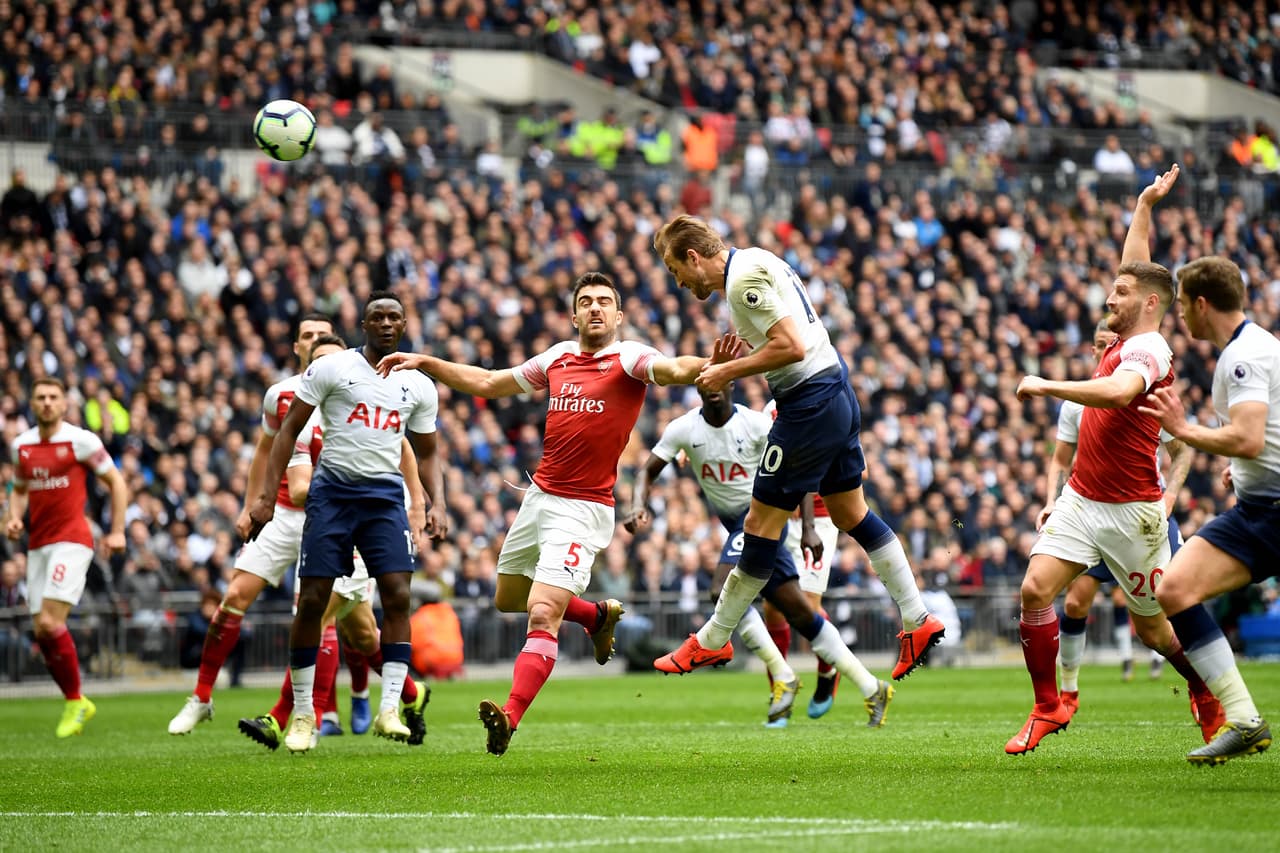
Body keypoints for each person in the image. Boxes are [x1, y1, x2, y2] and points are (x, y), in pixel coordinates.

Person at [378, 271, 720, 756]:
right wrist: (427, 361)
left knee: (541, 611)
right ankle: (596, 616)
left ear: (619, 316)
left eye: (605, 301)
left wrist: (712, 366)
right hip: (539, 498)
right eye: (586, 301)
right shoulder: (557, 356)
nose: (595, 308)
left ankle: (510, 717)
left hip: (583, 509)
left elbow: (673, 369)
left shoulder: (630, 357)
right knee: (507, 597)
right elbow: (491, 382)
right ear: (573, 314)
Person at [649, 214, 945, 685]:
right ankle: (917, 617)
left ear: (693, 257)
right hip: (835, 390)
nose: (679, 282)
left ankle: (713, 638)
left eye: (675, 271)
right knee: (851, 513)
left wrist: (729, 373)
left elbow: (791, 346)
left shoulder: (740, 279)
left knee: (759, 525)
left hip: (807, 402)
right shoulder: (757, 259)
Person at [1010, 165, 1224, 756]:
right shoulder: (1133, 326)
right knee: (1035, 590)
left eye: (1121, 294)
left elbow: (1116, 394)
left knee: (1155, 631)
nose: (1110, 296)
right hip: (1083, 499)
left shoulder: (1151, 348)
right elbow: (1138, 267)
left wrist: (1047, 383)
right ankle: (1049, 705)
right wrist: (1143, 205)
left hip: (1134, 513)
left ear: (1150, 305)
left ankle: (1205, 690)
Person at [247, 291, 447, 754]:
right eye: (377, 316)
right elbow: (287, 432)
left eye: (393, 317)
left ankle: (390, 708)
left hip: (383, 499)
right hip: (332, 495)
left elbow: (429, 450)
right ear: (363, 323)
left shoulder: (417, 384)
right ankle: (302, 715)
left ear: (403, 324)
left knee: (398, 594)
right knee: (313, 601)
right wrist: (264, 499)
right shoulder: (333, 369)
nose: (385, 323)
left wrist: (438, 504)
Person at [628, 382, 892, 728]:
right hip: (740, 524)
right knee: (798, 614)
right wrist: (637, 506)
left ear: (732, 385)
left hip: (761, 518)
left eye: (719, 384)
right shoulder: (683, 429)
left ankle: (738, 653)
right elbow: (647, 470)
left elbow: (794, 470)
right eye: (706, 385)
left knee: (721, 588)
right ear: (697, 389)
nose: (714, 390)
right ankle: (872, 687)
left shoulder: (754, 423)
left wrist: (809, 527)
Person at [168, 313, 336, 735]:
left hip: (331, 517)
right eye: (306, 336)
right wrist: (250, 504)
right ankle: (202, 697)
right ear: (297, 346)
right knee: (235, 595)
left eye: (322, 335)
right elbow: (263, 452)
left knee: (326, 620)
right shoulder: (279, 395)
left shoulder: (351, 396)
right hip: (282, 513)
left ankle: (307, 713)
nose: (314, 341)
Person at [1140, 255, 1279, 764]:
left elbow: (1246, 436)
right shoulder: (1257, 346)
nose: (1179, 318)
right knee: (1174, 588)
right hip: (1259, 508)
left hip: (1272, 514)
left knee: (1174, 588)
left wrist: (1183, 430)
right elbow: (1260, 439)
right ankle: (1243, 720)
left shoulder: (1242, 357)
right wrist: (1244, 471)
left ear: (1202, 305)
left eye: (1181, 307)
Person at [1042, 320, 1193, 714]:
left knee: (1158, 623)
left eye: (1109, 343)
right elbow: (1060, 460)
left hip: (1142, 516)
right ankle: (1068, 692)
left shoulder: (1143, 393)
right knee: (1074, 602)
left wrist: (1171, 497)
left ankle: (1200, 680)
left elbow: (1183, 450)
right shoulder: (1076, 403)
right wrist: (1049, 500)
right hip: (1090, 516)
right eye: (1097, 344)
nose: (1101, 350)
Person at [6, 377, 129, 737]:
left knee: (48, 622)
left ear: (64, 404)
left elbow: (117, 482)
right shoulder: (21, 446)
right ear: (32, 402)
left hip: (73, 539)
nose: (46, 402)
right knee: (42, 631)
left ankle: (76, 700)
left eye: (53, 397)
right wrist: (13, 516)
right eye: (40, 396)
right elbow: (19, 487)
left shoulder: (82, 440)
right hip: (38, 544)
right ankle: (75, 701)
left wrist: (117, 530)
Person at [761, 398, 847, 719]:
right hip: (780, 515)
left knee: (807, 607)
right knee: (772, 606)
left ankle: (827, 671)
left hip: (820, 519)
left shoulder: (827, 403)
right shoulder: (771, 409)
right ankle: (779, 693)